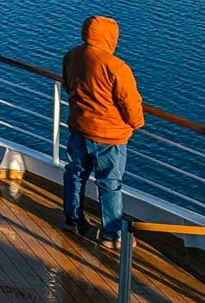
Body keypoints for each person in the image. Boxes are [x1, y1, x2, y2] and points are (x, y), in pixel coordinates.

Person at [62, 15, 145, 246]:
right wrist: (136, 123)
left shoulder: (72, 56)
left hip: (80, 127)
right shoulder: (116, 67)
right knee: (110, 183)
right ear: (110, 37)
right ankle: (113, 234)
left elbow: (68, 85)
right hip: (109, 135)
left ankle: (72, 219)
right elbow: (129, 102)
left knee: (75, 173)